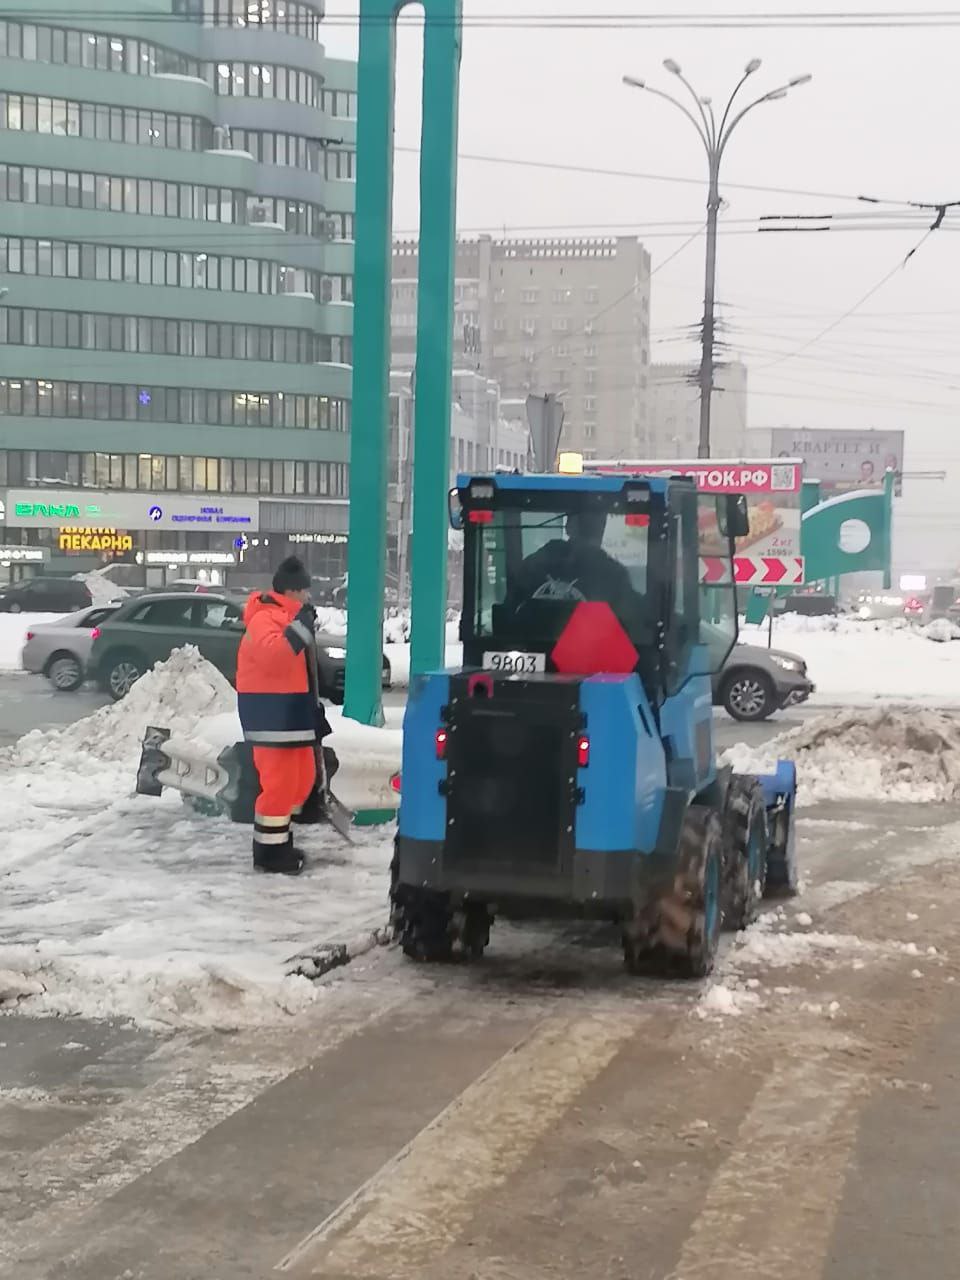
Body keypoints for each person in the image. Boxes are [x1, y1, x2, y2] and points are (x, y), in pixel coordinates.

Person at [236, 556, 333, 875]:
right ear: (291, 591)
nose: (308, 597)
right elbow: (276, 658)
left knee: (300, 781)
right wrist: (301, 627)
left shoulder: (286, 619)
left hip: (292, 717)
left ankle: (280, 841)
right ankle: (269, 854)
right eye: (304, 591)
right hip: (271, 719)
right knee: (278, 787)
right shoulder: (264, 619)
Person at [504, 509, 640, 623]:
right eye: (588, 522)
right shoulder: (614, 575)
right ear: (601, 528)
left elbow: (508, 615)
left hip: (585, 651)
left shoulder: (613, 575)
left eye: (594, 521)